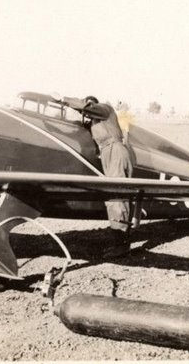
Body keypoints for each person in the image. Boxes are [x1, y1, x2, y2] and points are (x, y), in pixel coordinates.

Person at [63, 95, 138, 257]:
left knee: (117, 197)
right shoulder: (96, 122)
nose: (89, 113)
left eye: (90, 106)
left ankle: (122, 245)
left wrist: (64, 99)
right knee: (113, 197)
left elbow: (87, 107)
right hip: (107, 153)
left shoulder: (105, 109)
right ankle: (119, 242)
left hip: (115, 151)